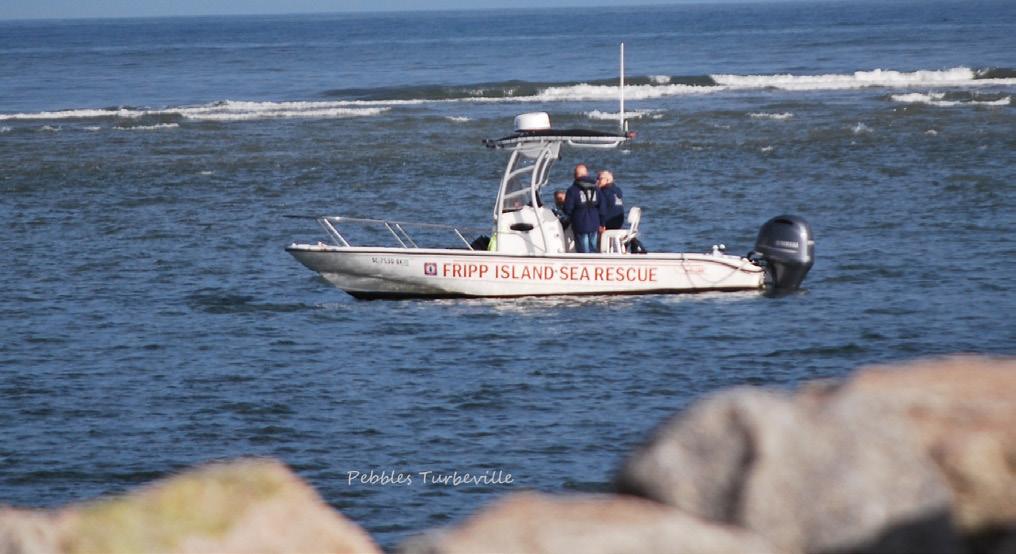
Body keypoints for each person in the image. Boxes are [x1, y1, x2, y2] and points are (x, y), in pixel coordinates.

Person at [563, 164, 601, 253]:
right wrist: (602, 222)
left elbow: (568, 209)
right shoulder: (596, 188)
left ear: (575, 175)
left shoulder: (572, 190)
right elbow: (602, 206)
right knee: (593, 249)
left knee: (583, 251)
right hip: (594, 222)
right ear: (587, 174)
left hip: (580, 224)